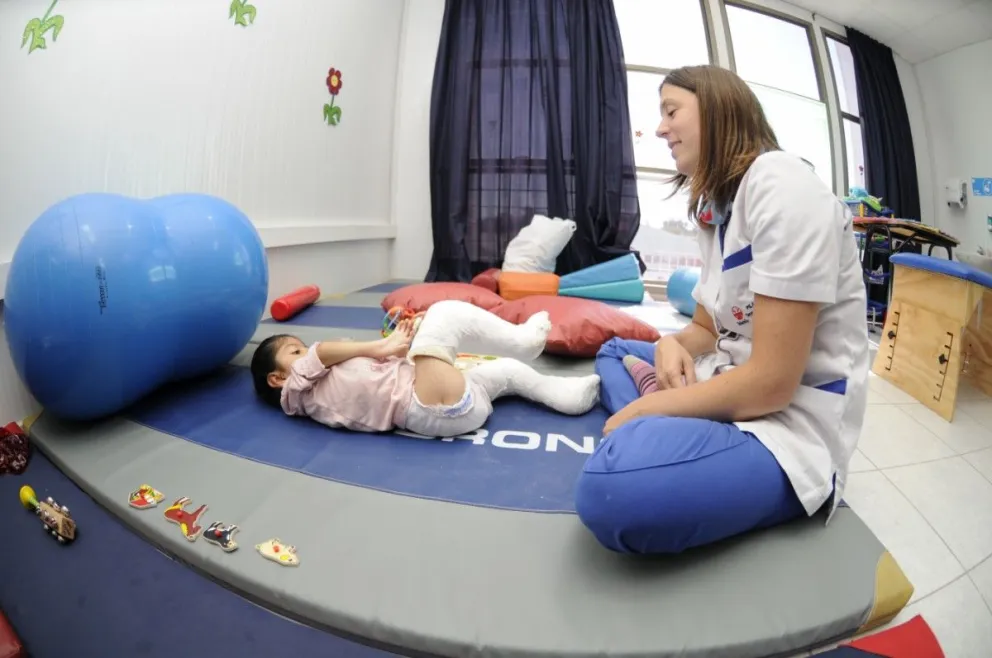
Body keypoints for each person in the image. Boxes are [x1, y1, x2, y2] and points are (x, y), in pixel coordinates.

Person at [574, 65, 869, 555]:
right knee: (615, 350)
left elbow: (772, 384)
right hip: (725, 380)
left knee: (609, 492)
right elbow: (706, 329)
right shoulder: (716, 211)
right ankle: (665, 430)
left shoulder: (783, 184)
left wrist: (653, 404)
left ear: (716, 107)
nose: (661, 129)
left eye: (671, 111)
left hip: (785, 424)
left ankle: (656, 429)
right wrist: (670, 344)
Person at [250, 299, 601, 438]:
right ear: (277, 378)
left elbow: (389, 365)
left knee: (509, 371)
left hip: (450, 399)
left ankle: (565, 395)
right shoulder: (296, 392)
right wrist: (379, 346)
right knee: (445, 313)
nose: (307, 351)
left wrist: (408, 338)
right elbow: (323, 351)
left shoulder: (326, 382)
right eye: (295, 350)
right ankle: (524, 341)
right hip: (429, 404)